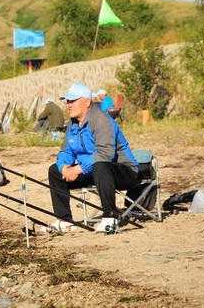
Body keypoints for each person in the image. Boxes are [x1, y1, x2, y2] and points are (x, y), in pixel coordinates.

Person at [47, 83, 139, 233]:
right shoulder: (72, 123)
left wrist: (78, 169)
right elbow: (66, 151)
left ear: (87, 102)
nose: (68, 104)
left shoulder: (102, 119)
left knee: (100, 165)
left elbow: (104, 153)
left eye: (72, 100)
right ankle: (64, 220)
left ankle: (110, 217)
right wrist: (64, 167)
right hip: (94, 172)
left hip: (124, 171)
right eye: (67, 101)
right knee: (54, 171)